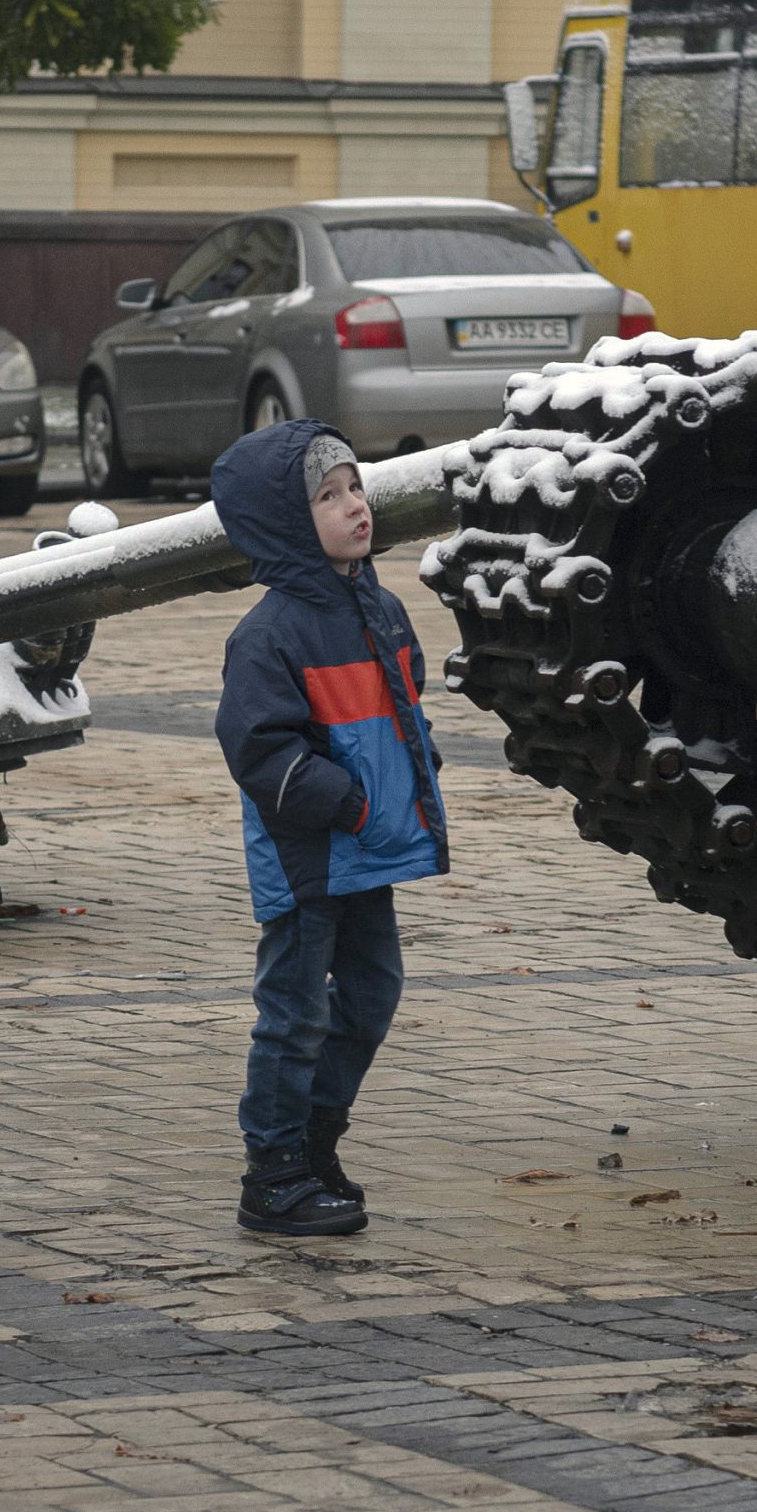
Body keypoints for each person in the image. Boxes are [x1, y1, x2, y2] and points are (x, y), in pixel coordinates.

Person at [211, 418, 448, 1236]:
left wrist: (417, 766)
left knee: (372, 994)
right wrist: (344, 800)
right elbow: (258, 747)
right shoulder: (268, 633)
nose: (354, 505)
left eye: (356, 486)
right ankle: (272, 1173)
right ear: (285, 521)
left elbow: (405, 705)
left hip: (368, 851)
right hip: (308, 855)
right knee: (295, 1011)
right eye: (327, 495)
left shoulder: (381, 608)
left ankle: (315, 1142)